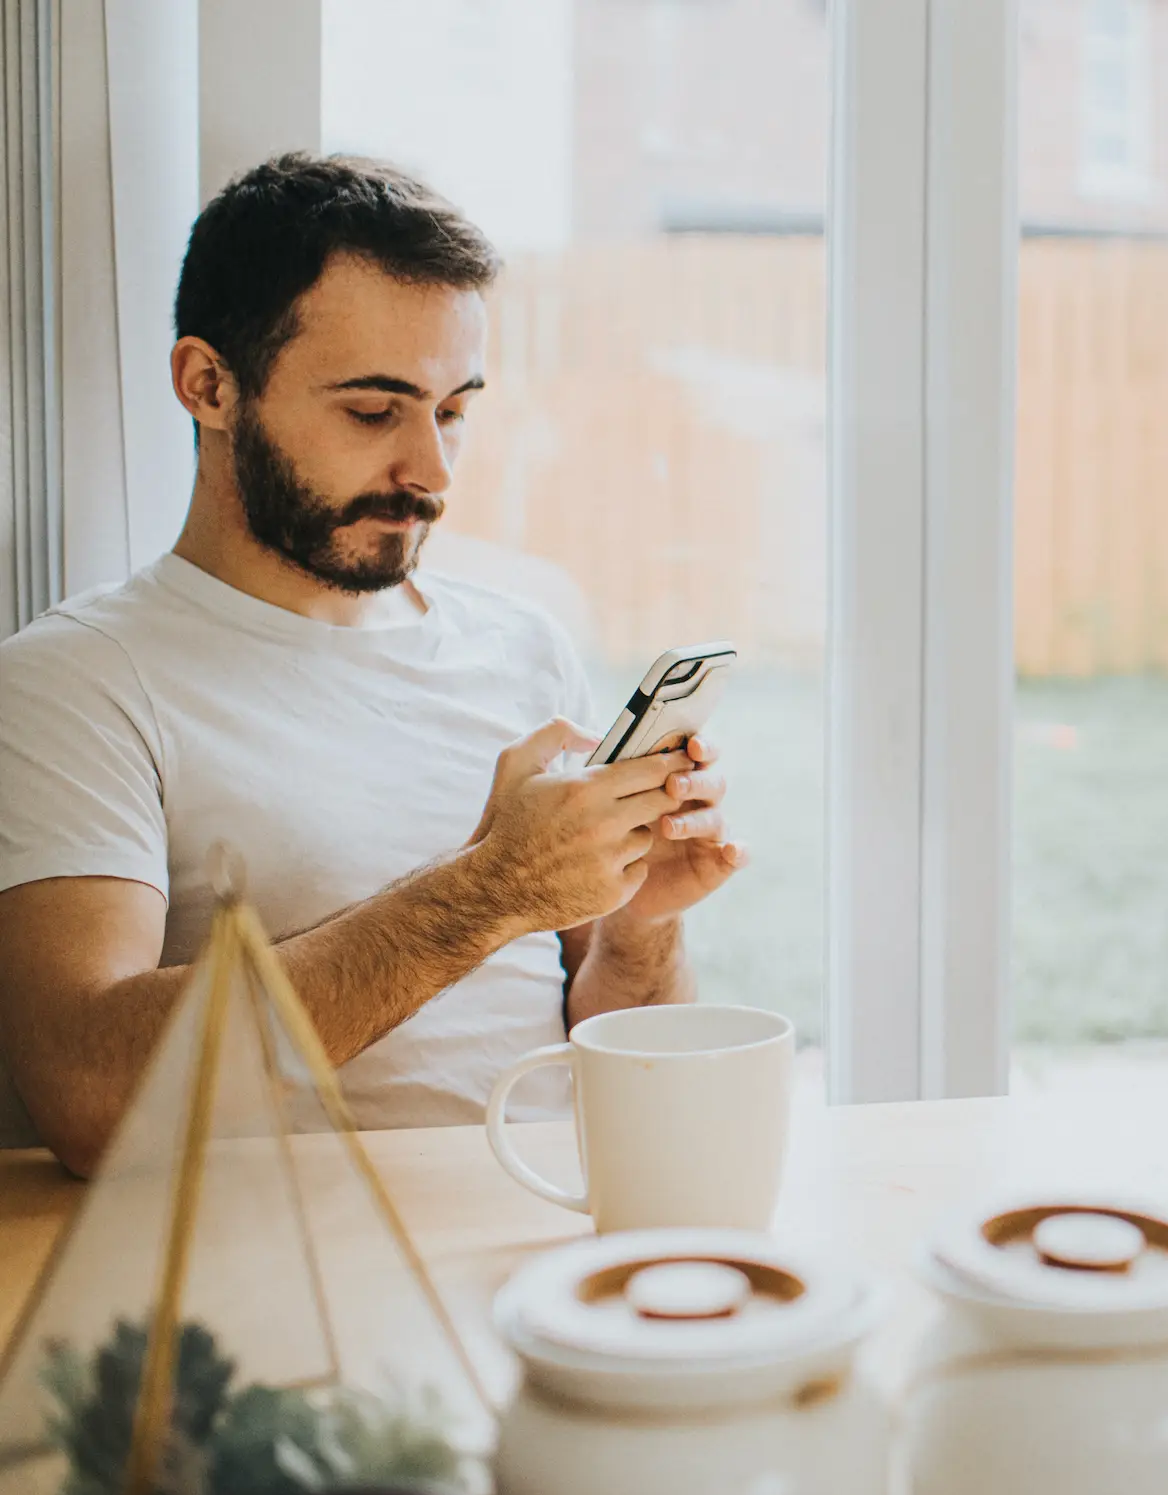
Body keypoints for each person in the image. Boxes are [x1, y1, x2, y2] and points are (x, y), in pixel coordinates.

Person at [0, 154, 745, 1177]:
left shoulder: (522, 645)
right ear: (208, 385)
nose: (431, 474)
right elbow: (88, 1097)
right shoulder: (77, 684)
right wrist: (489, 891)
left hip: (556, 1241)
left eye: (452, 411)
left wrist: (637, 931)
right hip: (300, 1294)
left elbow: (620, 1067)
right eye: (371, 412)